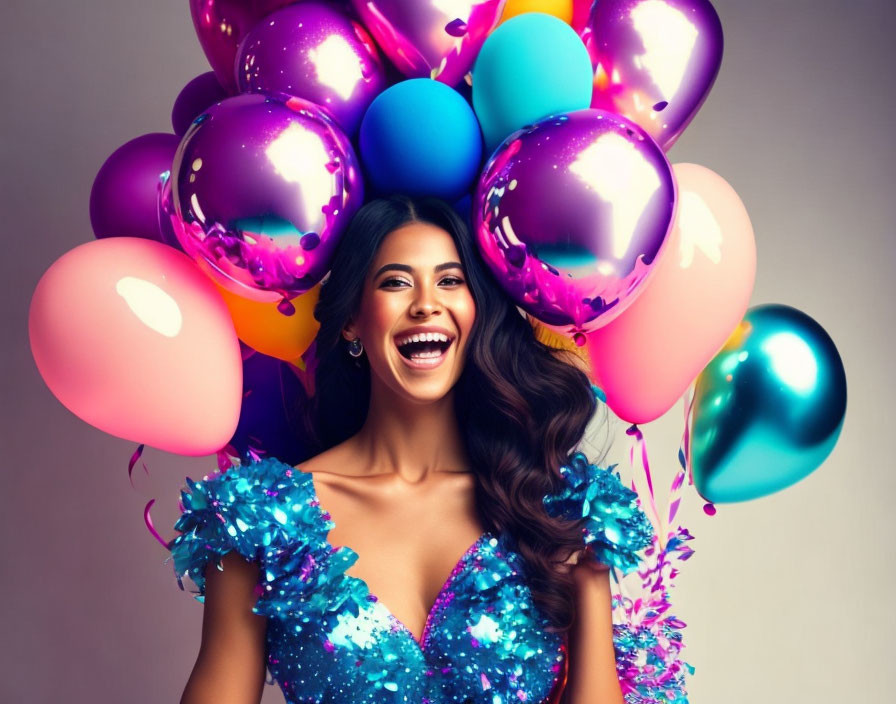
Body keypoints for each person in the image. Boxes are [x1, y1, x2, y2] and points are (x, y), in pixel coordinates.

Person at [169, 195, 654, 704]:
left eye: (450, 280)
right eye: (396, 282)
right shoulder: (263, 522)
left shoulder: (552, 505)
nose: (426, 303)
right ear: (353, 321)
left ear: (476, 312)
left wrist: (592, 582)